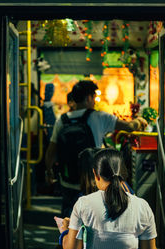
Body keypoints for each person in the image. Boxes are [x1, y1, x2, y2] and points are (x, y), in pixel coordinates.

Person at [60, 148, 164, 249]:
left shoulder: (84, 204)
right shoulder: (142, 206)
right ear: (124, 172)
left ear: (95, 174)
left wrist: (64, 233)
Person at [45, 80, 147, 217]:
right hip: (92, 182)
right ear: (88, 98)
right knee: (92, 218)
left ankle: (69, 237)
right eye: (94, 97)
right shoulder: (99, 117)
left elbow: (51, 151)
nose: (95, 100)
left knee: (69, 219)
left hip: (68, 180)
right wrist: (139, 121)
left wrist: (49, 171)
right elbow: (128, 127)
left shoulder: (61, 120)